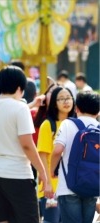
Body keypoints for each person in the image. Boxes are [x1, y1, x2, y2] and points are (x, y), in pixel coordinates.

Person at [0, 66, 51, 223]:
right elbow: (26, 144)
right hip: (17, 173)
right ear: (20, 88)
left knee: (0, 219)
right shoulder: (20, 108)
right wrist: (43, 172)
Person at [51, 92, 100, 223]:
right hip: (92, 187)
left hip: (68, 187)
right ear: (98, 111)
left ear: (76, 108)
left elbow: (57, 151)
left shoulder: (68, 124)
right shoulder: (98, 128)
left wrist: (51, 170)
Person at [36, 86, 75, 223]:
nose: (66, 102)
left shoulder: (75, 124)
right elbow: (42, 156)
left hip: (71, 186)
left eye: (68, 98)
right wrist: (47, 183)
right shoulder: (48, 125)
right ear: (54, 103)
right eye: (61, 99)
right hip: (51, 187)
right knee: (52, 220)